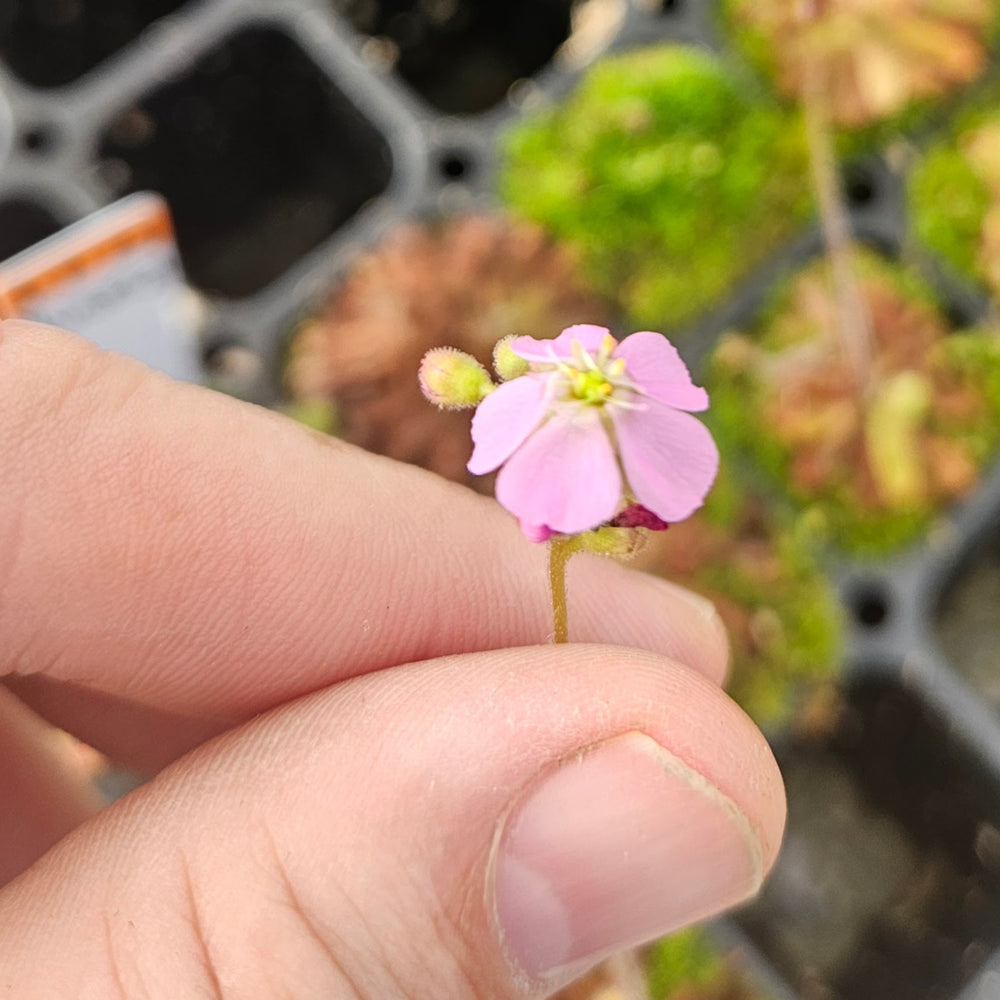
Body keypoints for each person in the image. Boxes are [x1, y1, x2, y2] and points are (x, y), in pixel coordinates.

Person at [0, 319, 785, 998]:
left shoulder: (576, 391)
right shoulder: (540, 400)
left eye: (594, 379)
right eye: (581, 379)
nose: (590, 378)